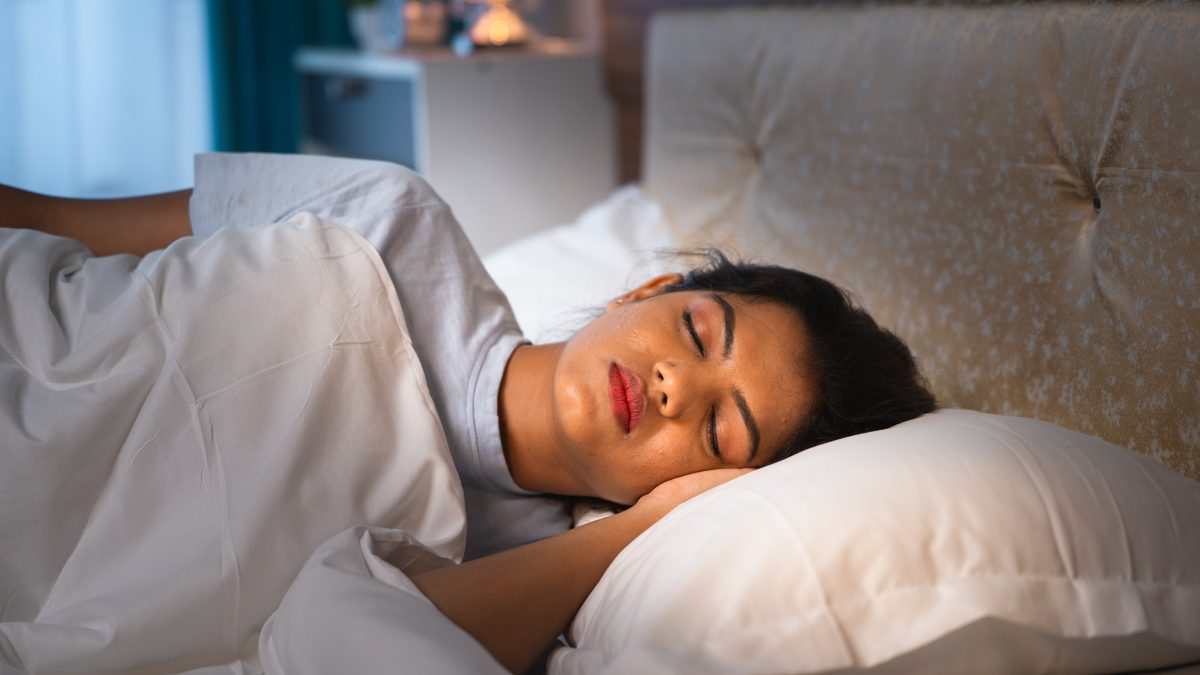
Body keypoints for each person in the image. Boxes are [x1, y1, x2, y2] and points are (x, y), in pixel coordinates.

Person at [0, 154, 935, 673]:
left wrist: (632, 534)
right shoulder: (394, 215)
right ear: (648, 287)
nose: (672, 388)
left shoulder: (524, 575)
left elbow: (351, 628)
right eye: (696, 329)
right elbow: (59, 223)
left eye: (720, 430)